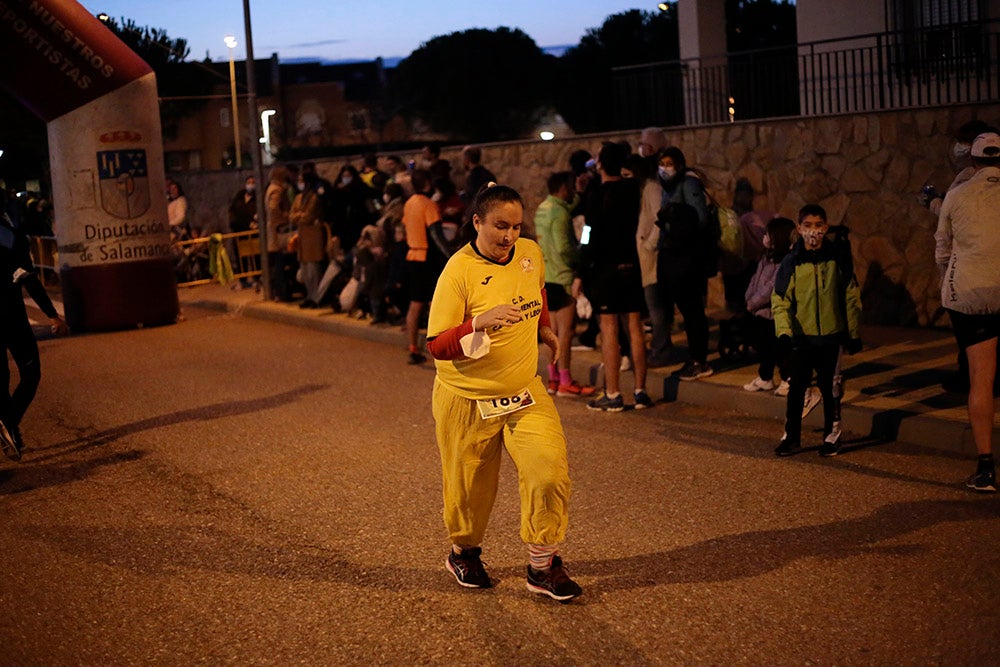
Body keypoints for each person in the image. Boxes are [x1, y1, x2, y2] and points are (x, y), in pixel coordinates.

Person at [425, 183, 582, 602]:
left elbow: (537, 291)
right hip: (466, 397)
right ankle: (464, 552)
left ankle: (542, 566)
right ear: (477, 222)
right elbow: (437, 344)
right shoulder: (458, 271)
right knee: (469, 492)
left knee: (548, 469)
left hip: (523, 389)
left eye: (515, 226)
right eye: (499, 226)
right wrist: (478, 322)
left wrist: (544, 327)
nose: (509, 236)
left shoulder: (530, 252)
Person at [934, 131, 1000, 493]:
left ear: (973, 161)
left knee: (981, 380)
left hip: (971, 295)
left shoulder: (957, 195)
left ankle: (986, 468)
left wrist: (946, 286)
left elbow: (942, 249)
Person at [772, 204, 862, 458]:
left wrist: (853, 333)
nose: (814, 231)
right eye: (808, 226)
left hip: (831, 337)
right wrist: (784, 333)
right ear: (799, 229)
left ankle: (832, 437)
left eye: (818, 226)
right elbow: (780, 300)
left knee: (831, 388)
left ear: (826, 227)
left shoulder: (837, 259)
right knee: (797, 388)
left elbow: (850, 296)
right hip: (801, 338)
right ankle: (792, 437)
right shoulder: (791, 261)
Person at [580, 142, 651, 412]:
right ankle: (641, 391)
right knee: (634, 326)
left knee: (609, 328)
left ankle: (612, 393)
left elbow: (588, 232)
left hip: (605, 269)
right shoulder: (633, 189)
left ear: (600, 165)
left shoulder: (596, 195)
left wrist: (582, 268)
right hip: (631, 265)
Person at [1, 201, 69, 460]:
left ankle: (10, 430)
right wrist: (52, 315)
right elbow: (28, 277)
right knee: (30, 373)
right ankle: (10, 423)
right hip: (11, 316)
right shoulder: (11, 236)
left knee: (1, 379)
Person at [656, 146, 713, 381]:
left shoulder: (688, 184)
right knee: (687, 311)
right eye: (662, 163)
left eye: (669, 163)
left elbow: (699, 219)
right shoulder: (668, 187)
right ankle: (694, 358)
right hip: (673, 256)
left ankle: (700, 360)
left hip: (687, 258)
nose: (665, 168)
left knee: (693, 312)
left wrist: (672, 222)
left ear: (679, 165)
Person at [534, 171, 593, 397]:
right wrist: (581, 256)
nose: (571, 191)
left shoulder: (543, 208)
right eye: (569, 187)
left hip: (547, 276)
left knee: (553, 333)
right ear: (561, 188)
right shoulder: (560, 214)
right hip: (563, 275)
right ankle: (566, 380)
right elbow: (564, 248)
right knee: (566, 333)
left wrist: (581, 192)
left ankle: (554, 379)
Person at [629, 152, 674, 367]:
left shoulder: (651, 188)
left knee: (657, 307)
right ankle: (660, 349)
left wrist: (649, 245)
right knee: (656, 307)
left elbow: (659, 219)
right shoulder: (645, 189)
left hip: (653, 259)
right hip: (648, 258)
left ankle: (661, 351)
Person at [742, 216, 795, 393]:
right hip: (760, 313)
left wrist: (753, 303)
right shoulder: (765, 258)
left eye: (769, 234)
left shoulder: (785, 262)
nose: (765, 237)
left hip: (774, 315)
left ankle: (788, 378)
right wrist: (749, 299)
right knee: (764, 348)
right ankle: (765, 377)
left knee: (781, 349)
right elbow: (755, 280)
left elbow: (771, 288)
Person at [402, 169, 442, 364]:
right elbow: (436, 235)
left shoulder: (408, 204)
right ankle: (438, 351)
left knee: (415, 305)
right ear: (427, 183)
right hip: (428, 258)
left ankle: (413, 348)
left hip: (412, 255)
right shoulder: (429, 205)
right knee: (435, 305)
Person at [290, 171, 327, 309]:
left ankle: (316, 298)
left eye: (301, 180)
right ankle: (309, 296)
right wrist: (300, 215)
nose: (299, 183)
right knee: (305, 271)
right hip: (303, 237)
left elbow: (308, 216)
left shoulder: (314, 198)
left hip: (312, 238)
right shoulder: (299, 197)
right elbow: (291, 216)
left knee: (314, 271)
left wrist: (299, 216)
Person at [265, 165, 293, 302]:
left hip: (272, 232)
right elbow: (274, 209)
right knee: (279, 264)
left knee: (275, 265)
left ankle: (277, 292)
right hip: (278, 232)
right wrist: (286, 217)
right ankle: (281, 293)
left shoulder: (270, 188)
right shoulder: (277, 190)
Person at [227, 175, 258, 289]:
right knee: (240, 257)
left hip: (252, 232)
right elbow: (233, 211)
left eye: (253, 182)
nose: (251, 184)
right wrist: (234, 224)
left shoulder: (257, 198)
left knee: (255, 257)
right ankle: (242, 279)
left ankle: (256, 278)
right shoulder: (239, 197)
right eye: (249, 182)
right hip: (239, 231)